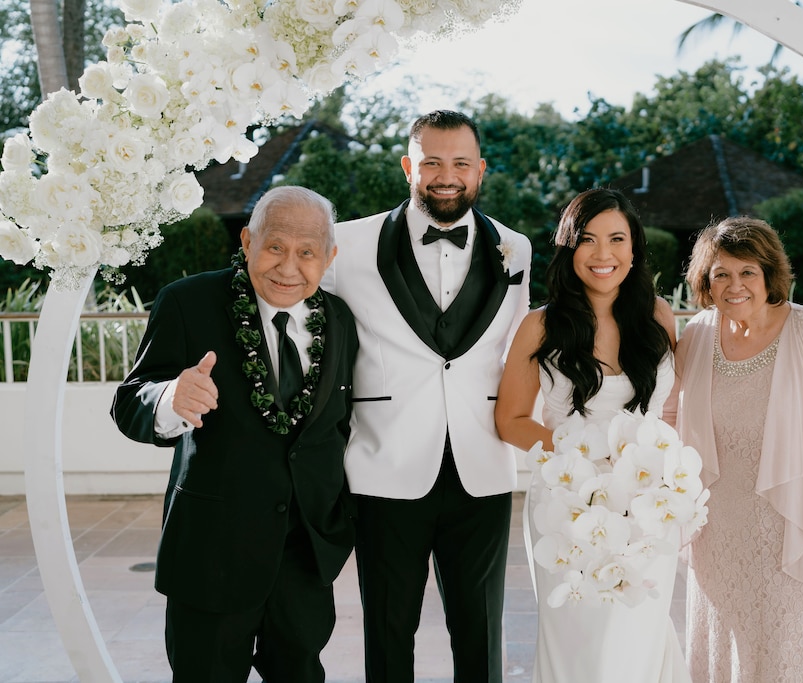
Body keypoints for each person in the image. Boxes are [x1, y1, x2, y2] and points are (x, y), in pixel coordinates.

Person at [110, 186, 359, 683]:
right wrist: (170, 398)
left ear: (329, 258)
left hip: (305, 556)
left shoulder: (340, 319)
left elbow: (338, 424)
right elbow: (130, 400)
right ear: (247, 242)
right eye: (275, 247)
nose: (289, 267)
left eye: (307, 253)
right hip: (212, 553)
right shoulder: (187, 302)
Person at [319, 109, 532, 683]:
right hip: (384, 465)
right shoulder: (347, 244)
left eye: (460, 163)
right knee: (388, 631)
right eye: (432, 162)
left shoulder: (516, 248)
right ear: (407, 167)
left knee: (480, 631)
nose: (447, 176)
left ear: (480, 170)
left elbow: (514, 349)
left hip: (482, 466)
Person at [494, 187, 688, 683]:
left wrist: (658, 475)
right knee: (580, 645)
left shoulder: (658, 316)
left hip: (647, 508)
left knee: (638, 636)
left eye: (617, 239)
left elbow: (668, 409)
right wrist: (586, 469)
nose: (604, 254)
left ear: (634, 248)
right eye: (588, 239)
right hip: (569, 509)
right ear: (569, 248)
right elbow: (511, 419)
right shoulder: (540, 326)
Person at [675, 216, 803, 682]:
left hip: (791, 533)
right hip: (716, 537)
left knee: (786, 654)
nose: (735, 285)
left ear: (769, 275)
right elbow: (665, 416)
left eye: (748, 272)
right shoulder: (696, 335)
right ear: (705, 281)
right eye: (721, 273)